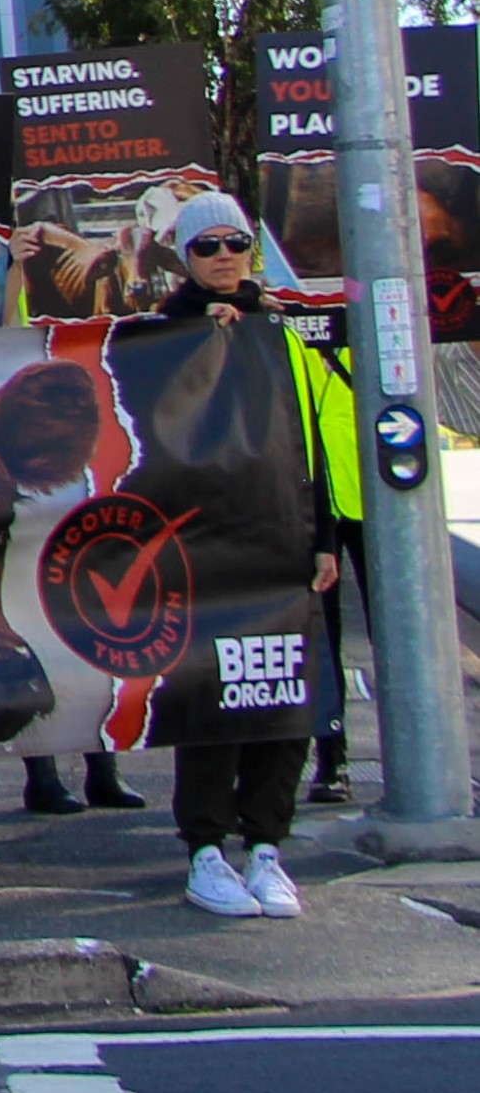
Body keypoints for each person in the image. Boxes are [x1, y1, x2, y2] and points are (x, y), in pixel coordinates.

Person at [152, 196, 360, 921]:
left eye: (234, 242)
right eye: (205, 246)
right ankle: (205, 851)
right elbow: (153, 429)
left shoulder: (279, 330)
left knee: (283, 700)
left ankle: (266, 846)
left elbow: (310, 440)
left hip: (283, 541)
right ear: (185, 257)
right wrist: (194, 343)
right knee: (214, 701)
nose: (223, 256)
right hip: (204, 548)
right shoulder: (163, 330)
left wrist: (323, 538)